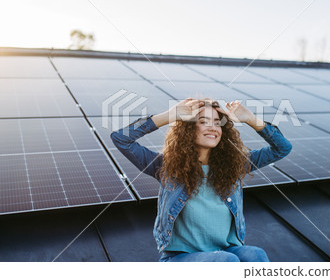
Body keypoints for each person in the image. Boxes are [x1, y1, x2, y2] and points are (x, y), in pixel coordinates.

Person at [110, 98, 293, 262]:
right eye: (203, 122)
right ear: (189, 129)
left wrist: (250, 119)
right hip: (181, 258)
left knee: (255, 255)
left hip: (226, 250)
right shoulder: (165, 166)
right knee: (226, 261)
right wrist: (171, 115)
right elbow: (121, 138)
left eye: (217, 122)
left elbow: (282, 148)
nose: (212, 127)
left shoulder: (235, 165)